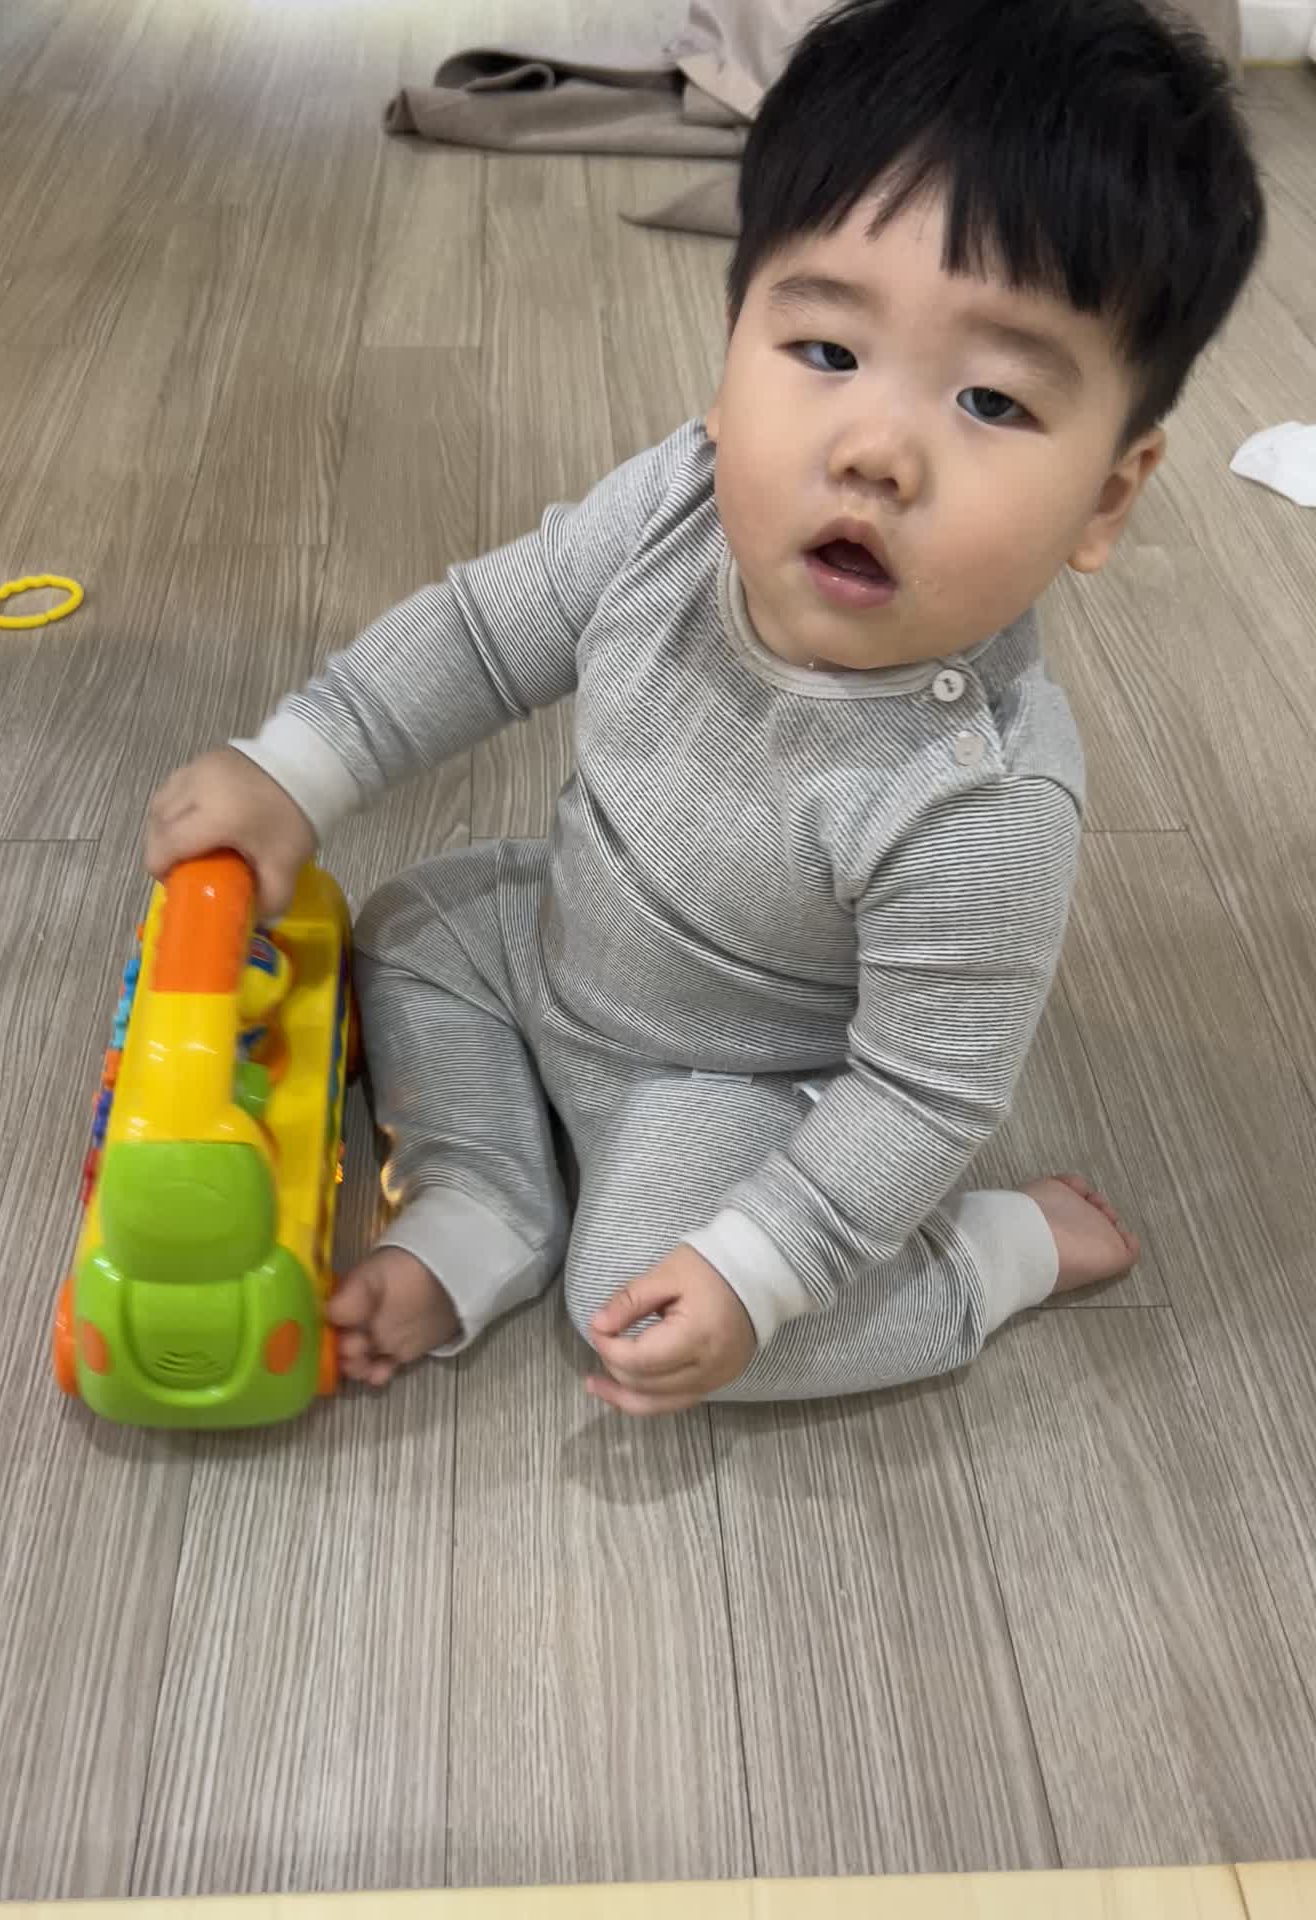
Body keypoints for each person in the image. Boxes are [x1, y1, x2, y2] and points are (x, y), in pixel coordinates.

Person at [145, 0, 1263, 1415]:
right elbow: (485, 636)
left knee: (638, 1303)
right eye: (827, 353)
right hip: (560, 939)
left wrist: (759, 1268)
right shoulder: (675, 504)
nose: (876, 450)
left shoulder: (976, 796)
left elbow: (922, 1094)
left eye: (990, 400)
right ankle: (484, 1199)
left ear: (1106, 495)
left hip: (736, 1093)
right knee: (416, 923)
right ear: (733, 352)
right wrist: (296, 766)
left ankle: (986, 1258)